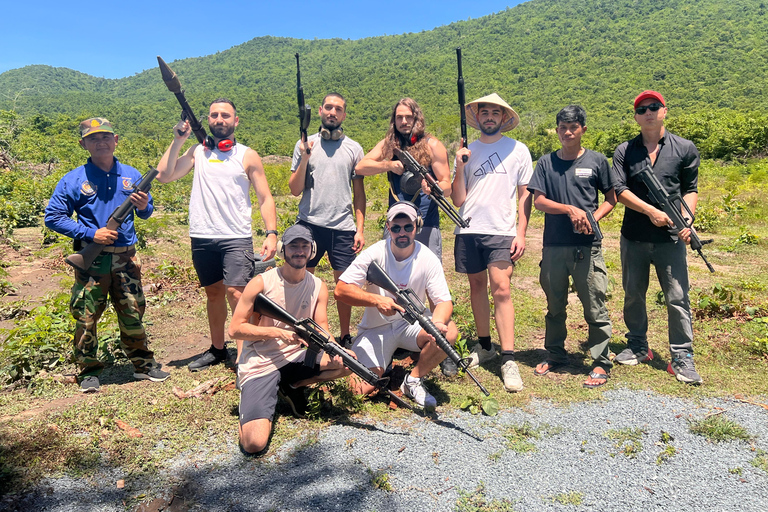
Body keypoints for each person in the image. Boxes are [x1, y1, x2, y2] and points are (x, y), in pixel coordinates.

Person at [44, 117, 169, 392]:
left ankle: (143, 366)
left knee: (133, 313)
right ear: (83, 144)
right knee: (87, 317)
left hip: (126, 259)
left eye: (105, 137)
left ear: (116, 141)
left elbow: (147, 213)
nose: (100, 142)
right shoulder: (73, 179)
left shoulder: (132, 174)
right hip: (94, 260)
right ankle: (89, 372)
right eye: (93, 138)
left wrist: (146, 205)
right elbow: (53, 217)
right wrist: (91, 234)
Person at [156, 98, 278, 372]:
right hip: (201, 236)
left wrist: (271, 233)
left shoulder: (247, 155)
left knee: (237, 294)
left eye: (225, 115)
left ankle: (244, 354)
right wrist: (177, 140)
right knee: (213, 293)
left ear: (236, 121)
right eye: (214, 115)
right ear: (208, 120)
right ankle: (218, 348)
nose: (219, 119)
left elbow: (265, 196)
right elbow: (164, 176)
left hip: (235, 236)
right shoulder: (197, 151)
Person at [229, 224, 352, 454]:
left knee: (346, 364)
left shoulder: (318, 286)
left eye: (304, 246)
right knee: (254, 444)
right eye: (293, 246)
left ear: (312, 250)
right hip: (261, 362)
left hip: (296, 356)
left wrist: (338, 350)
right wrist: (277, 332)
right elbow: (235, 329)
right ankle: (253, 394)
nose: (299, 251)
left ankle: (291, 386)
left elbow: (323, 328)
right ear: (284, 250)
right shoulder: (261, 283)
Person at [612, 90, 703, 384]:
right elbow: (620, 190)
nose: (648, 112)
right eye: (641, 109)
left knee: (677, 297)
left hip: (671, 239)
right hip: (634, 236)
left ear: (664, 110)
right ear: (636, 117)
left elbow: (690, 189)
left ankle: (682, 356)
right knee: (633, 294)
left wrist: (686, 219)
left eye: (654, 107)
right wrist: (650, 210)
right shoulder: (625, 150)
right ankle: (638, 345)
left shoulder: (685, 148)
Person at [334, 202, 457, 410]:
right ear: (388, 228)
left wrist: (437, 324)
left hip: (411, 326)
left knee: (449, 332)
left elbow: (444, 301)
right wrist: (376, 300)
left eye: (408, 227)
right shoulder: (374, 254)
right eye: (396, 227)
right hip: (376, 330)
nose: (402, 232)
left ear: (416, 228)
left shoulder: (428, 258)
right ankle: (388, 367)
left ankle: (412, 380)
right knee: (356, 390)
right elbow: (341, 290)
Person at [527, 105, 616, 388]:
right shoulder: (545, 163)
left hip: (587, 246)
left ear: (583, 130)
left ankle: (601, 362)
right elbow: (538, 201)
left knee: (594, 305)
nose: (567, 132)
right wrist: (569, 210)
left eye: (573, 127)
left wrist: (591, 217)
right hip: (553, 246)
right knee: (555, 305)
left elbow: (612, 198)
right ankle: (555, 354)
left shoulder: (598, 161)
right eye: (563, 128)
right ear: (557, 130)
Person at [451, 93, 533, 392]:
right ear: (479, 117)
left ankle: (508, 357)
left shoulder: (518, 150)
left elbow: (525, 194)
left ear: (503, 118)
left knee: (501, 288)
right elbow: (458, 198)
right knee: (476, 287)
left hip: (502, 229)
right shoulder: (466, 151)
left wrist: (521, 232)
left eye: (494, 113)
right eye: (483, 112)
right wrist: (459, 166)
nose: (488, 116)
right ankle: (485, 346)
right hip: (468, 229)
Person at [288, 93, 365, 348]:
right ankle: (304, 329)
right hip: (309, 223)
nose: (332, 112)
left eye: (338, 109)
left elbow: (359, 194)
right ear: (320, 110)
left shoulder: (354, 149)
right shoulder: (304, 145)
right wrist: (305, 157)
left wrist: (360, 229)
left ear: (344, 115)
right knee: (302, 279)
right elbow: (294, 189)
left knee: (343, 286)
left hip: (343, 228)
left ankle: (344, 334)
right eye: (328, 107)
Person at [355, 98, 450, 260]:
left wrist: (433, 188)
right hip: (396, 225)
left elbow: (447, 187)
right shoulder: (390, 144)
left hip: (425, 223)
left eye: (409, 117)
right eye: (399, 117)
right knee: (391, 276)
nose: (404, 121)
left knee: (428, 279)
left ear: (417, 118)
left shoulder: (432, 145)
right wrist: (389, 165)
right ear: (394, 120)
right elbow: (360, 167)